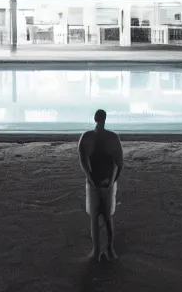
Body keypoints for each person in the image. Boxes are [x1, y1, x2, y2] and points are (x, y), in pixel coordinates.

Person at [78, 109, 124, 262]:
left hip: (103, 183)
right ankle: (98, 249)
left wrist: (111, 182)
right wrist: (92, 179)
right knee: (100, 217)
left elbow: (119, 163)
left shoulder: (107, 138)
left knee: (105, 217)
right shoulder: (89, 137)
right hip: (98, 183)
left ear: (97, 118)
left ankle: (106, 249)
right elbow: (83, 160)